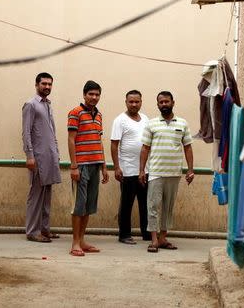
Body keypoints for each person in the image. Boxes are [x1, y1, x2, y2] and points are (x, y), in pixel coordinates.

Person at [139, 91, 194, 253]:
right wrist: (141, 170)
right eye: (161, 102)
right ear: (157, 104)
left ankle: (163, 238)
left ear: (173, 102)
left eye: (166, 102)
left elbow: (188, 147)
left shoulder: (182, 123)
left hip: (174, 172)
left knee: (168, 208)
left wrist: (190, 169)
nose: (164, 104)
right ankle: (154, 240)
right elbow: (145, 148)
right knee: (153, 206)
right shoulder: (151, 124)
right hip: (156, 172)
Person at [67, 80, 109, 256]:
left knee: (89, 205)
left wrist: (104, 167)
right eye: (91, 94)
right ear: (84, 95)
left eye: (97, 94)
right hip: (81, 166)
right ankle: (75, 243)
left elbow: (99, 142)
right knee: (78, 206)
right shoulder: (75, 113)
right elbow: (71, 140)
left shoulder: (98, 115)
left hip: (95, 165)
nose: (94, 97)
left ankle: (82, 240)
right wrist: (74, 166)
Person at [22, 72, 61, 243]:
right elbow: (26, 132)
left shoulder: (47, 105)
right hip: (37, 158)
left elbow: (51, 132)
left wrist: (56, 153)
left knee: (46, 196)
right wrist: (30, 156)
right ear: (36, 84)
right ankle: (32, 231)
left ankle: (44, 230)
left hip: (50, 157)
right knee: (36, 196)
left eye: (49, 84)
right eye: (44, 83)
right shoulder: (31, 105)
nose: (47, 87)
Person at [111, 90, 152, 244]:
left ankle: (146, 233)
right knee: (127, 204)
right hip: (127, 170)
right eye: (131, 102)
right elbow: (114, 145)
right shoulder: (120, 120)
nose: (134, 104)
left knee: (145, 203)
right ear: (126, 102)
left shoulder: (146, 119)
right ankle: (124, 235)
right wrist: (116, 167)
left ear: (141, 102)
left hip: (144, 170)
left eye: (137, 102)